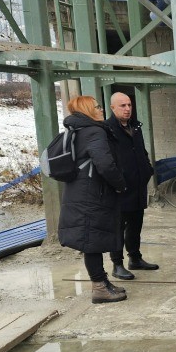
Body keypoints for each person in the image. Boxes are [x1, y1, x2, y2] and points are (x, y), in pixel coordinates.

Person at [58, 96, 128, 304]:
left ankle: (103, 283)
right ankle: (99, 288)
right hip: (92, 195)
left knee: (91, 240)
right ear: (89, 110)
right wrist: (120, 184)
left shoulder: (77, 131)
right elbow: (105, 164)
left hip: (80, 193)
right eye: (97, 106)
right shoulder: (94, 131)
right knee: (92, 242)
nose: (101, 109)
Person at [105, 92, 158, 281]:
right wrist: (117, 181)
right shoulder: (108, 130)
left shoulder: (135, 126)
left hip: (137, 185)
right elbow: (106, 160)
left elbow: (141, 151)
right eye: (122, 106)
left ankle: (135, 258)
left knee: (136, 224)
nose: (127, 109)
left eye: (129, 105)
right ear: (112, 108)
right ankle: (117, 264)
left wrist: (147, 170)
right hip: (120, 188)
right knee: (118, 227)